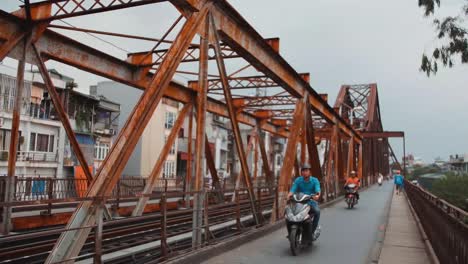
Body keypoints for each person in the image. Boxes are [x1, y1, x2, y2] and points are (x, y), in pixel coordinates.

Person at [287, 164, 321, 240]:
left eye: (306, 170)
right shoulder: (298, 180)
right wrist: (289, 195)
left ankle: (312, 231)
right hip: (299, 202)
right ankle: (290, 232)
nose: (304, 172)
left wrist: (317, 195)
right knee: (287, 213)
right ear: (301, 172)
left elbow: (317, 190)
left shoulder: (315, 180)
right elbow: (293, 189)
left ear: (310, 172)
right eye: (303, 171)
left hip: (310, 201)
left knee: (317, 212)